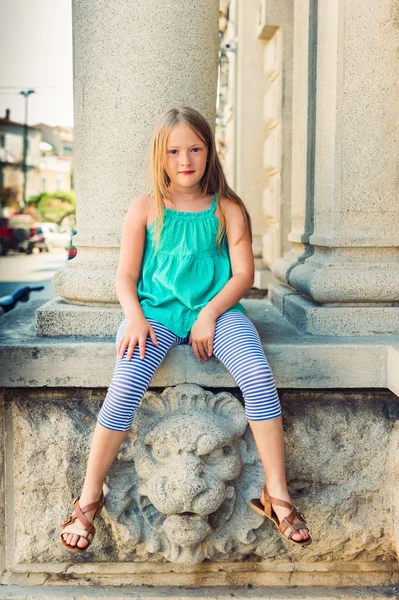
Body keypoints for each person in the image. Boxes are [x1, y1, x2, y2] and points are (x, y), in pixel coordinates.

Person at [60, 106, 312, 553]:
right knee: (123, 389)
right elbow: (124, 276)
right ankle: (89, 497)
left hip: (217, 313)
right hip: (155, 314)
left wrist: (210, 314)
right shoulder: (145, 208)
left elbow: (242, 276)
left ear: (209, 152)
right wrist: (135, 318)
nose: (185, 160)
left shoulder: (228, 209)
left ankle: (277, 495)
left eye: (195, 149)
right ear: (160, 156)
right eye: (174, 151)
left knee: (256, 376)